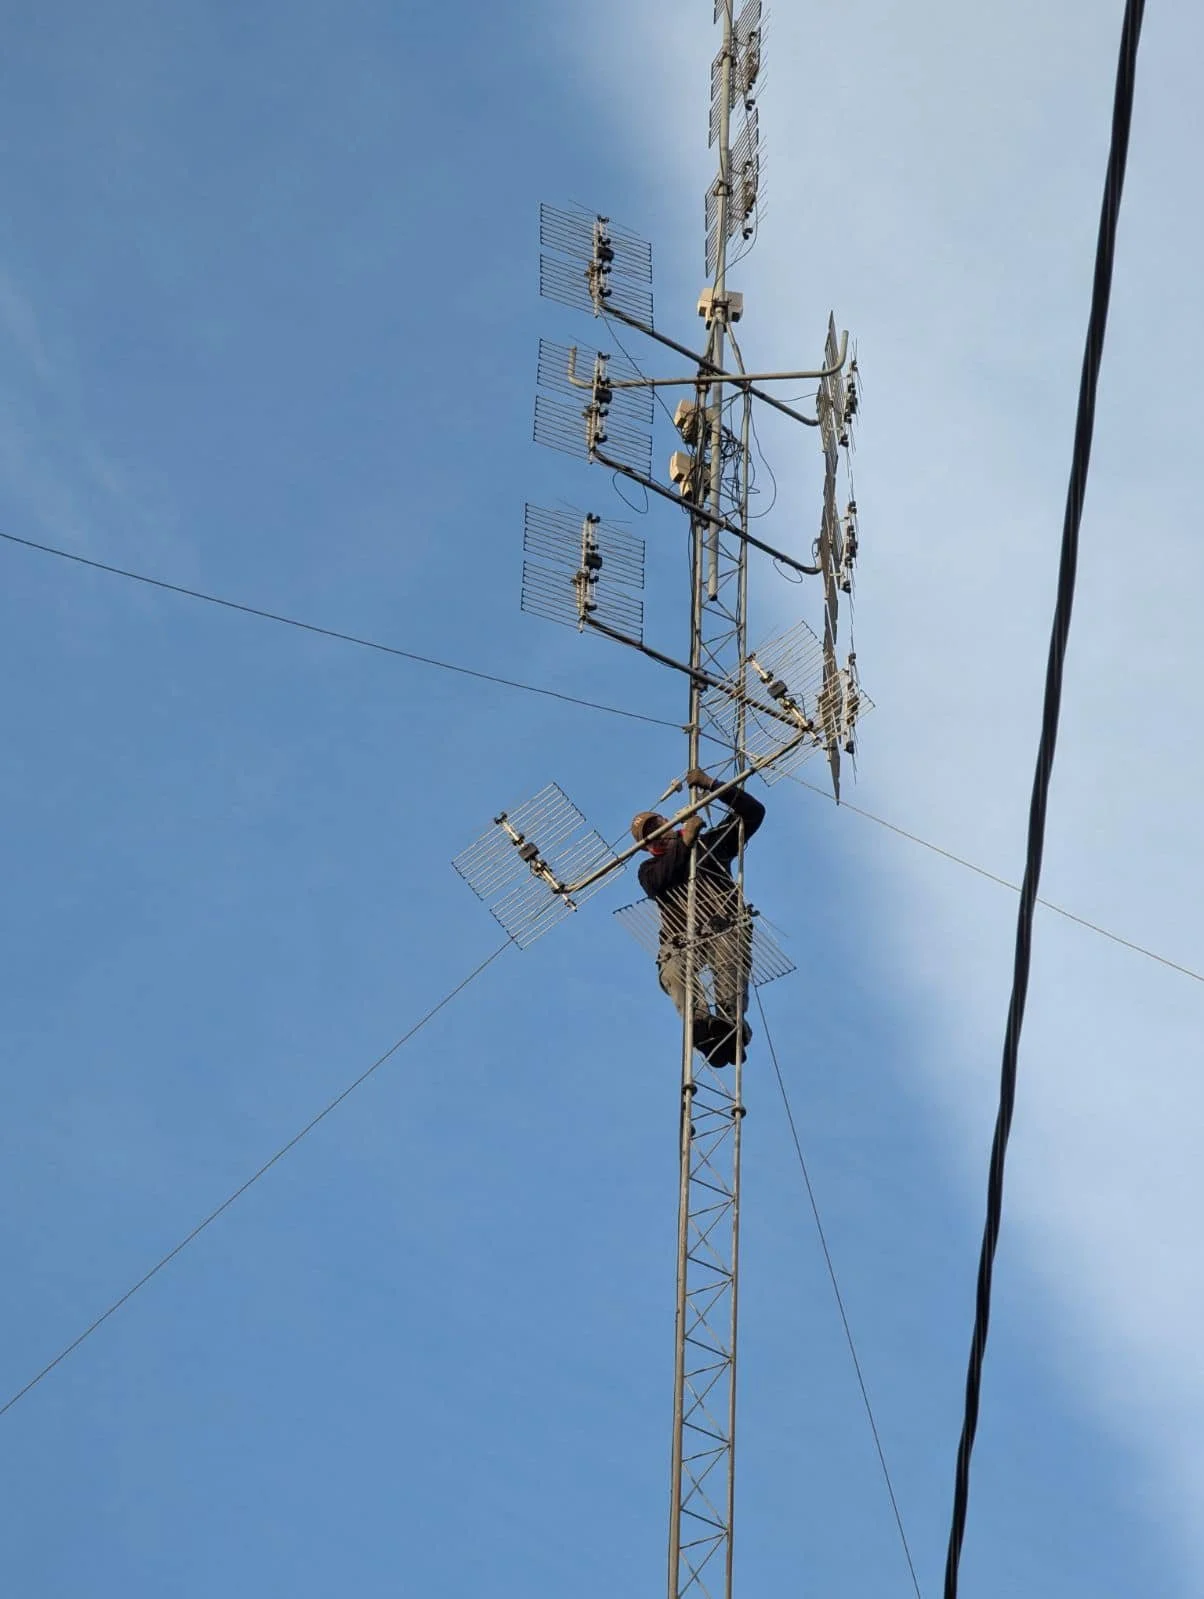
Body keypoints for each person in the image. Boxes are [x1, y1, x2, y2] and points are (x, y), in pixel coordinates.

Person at [633, 768, 765, 1067]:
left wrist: (712, 786)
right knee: (673, 970)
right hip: (681, 939)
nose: (659, 828)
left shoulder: (710, 844)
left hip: (723, 925)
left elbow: (753, 813)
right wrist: (684, 844)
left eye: (658, 822)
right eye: (650, 832)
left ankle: (731, 1027)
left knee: (729, 965)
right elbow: (661, 882)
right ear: (646, 845)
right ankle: (702, 1025)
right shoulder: (648, 870)